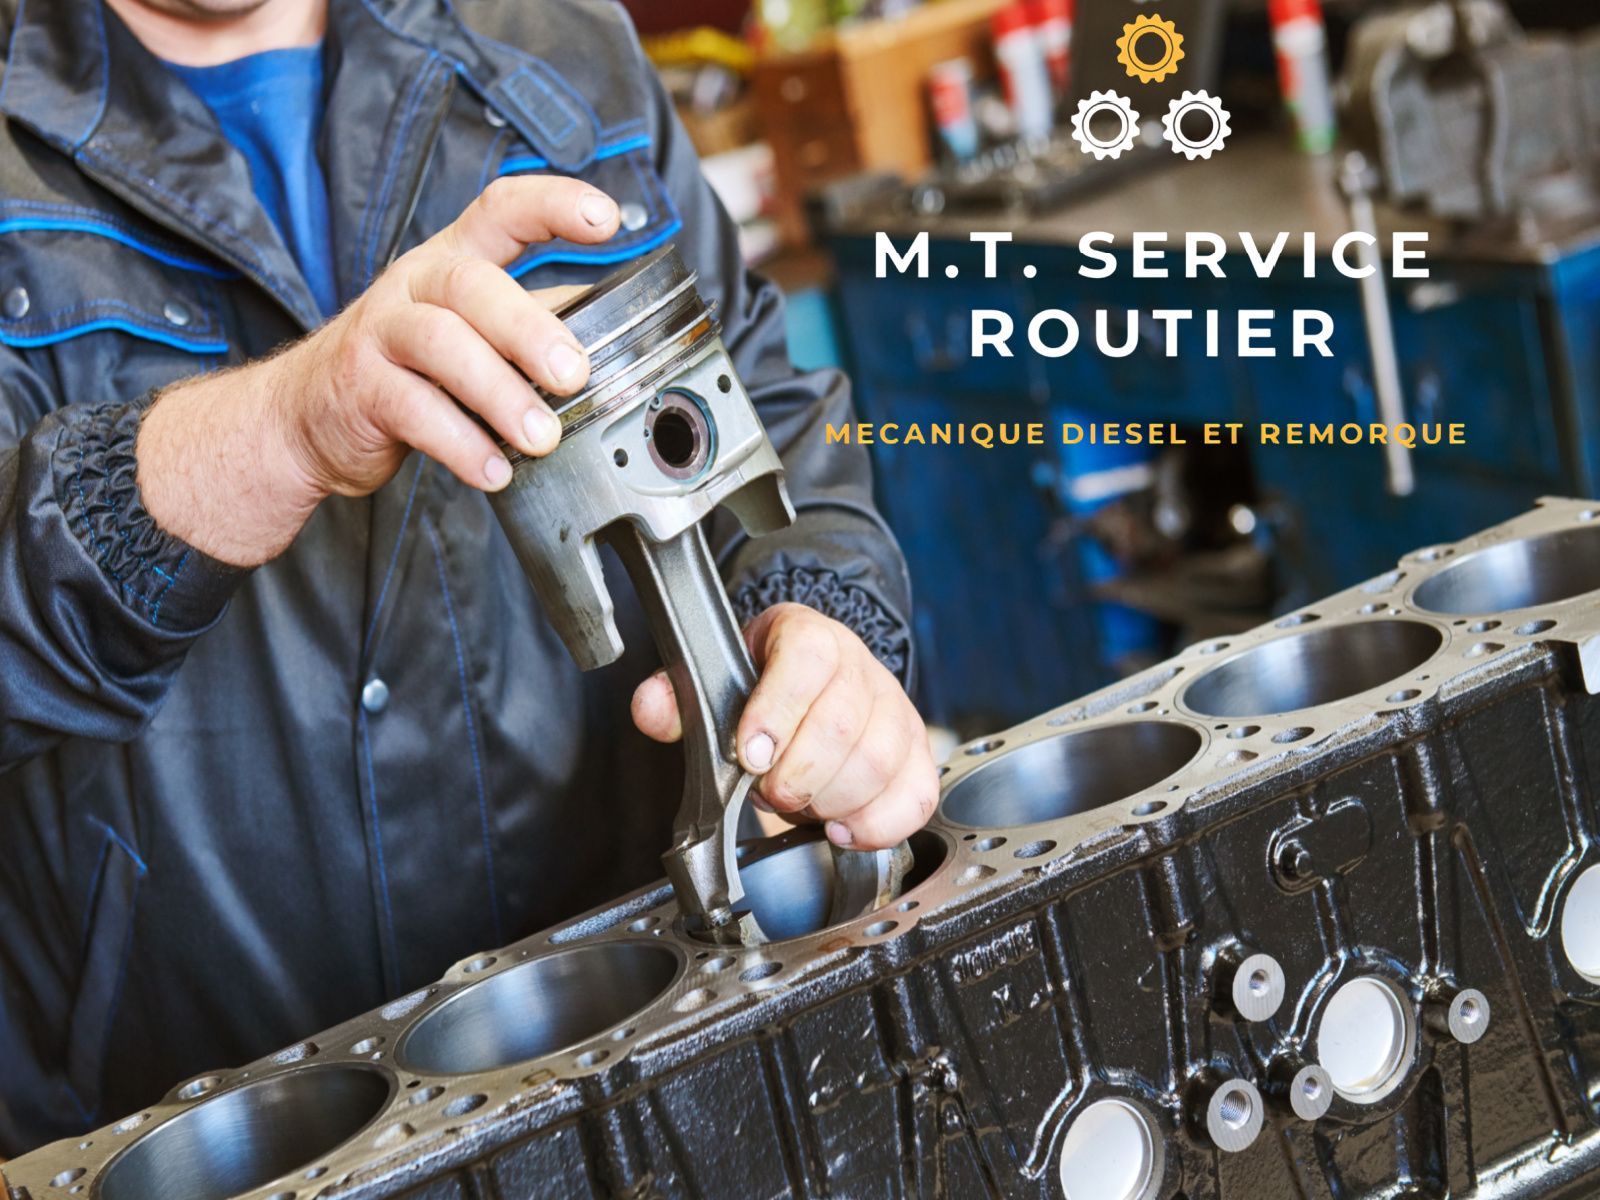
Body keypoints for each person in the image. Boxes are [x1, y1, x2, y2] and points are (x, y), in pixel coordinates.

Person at [0, 0, 936, 1156]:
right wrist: (281, 430)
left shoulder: (556, 42)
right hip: (210, 1134)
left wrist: (825, 626)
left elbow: (766, 421)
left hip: (667, 1054)